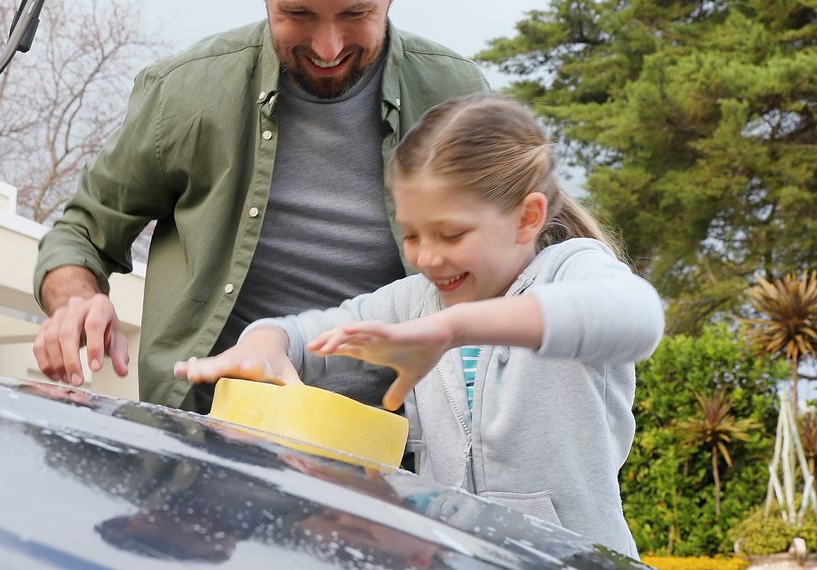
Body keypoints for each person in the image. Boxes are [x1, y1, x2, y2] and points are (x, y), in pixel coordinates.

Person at [174, 94, 664, 557]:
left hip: (573, 560)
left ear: (526, 218)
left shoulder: (572, 271)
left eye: (452, 234)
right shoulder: (417, 301)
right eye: (411, 235)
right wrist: (264, 343)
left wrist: (456, 328)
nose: (427, 257)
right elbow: (304, 333)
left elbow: (636, 316)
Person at [31, 0, 490, 412]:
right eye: (298, 14)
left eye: (355, 14)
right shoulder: (183, 92)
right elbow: (82, 234)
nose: (328, 48)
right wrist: (75, 299)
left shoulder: (459, 99)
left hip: (409, 452)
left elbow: (524, 261)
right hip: (210, 434)